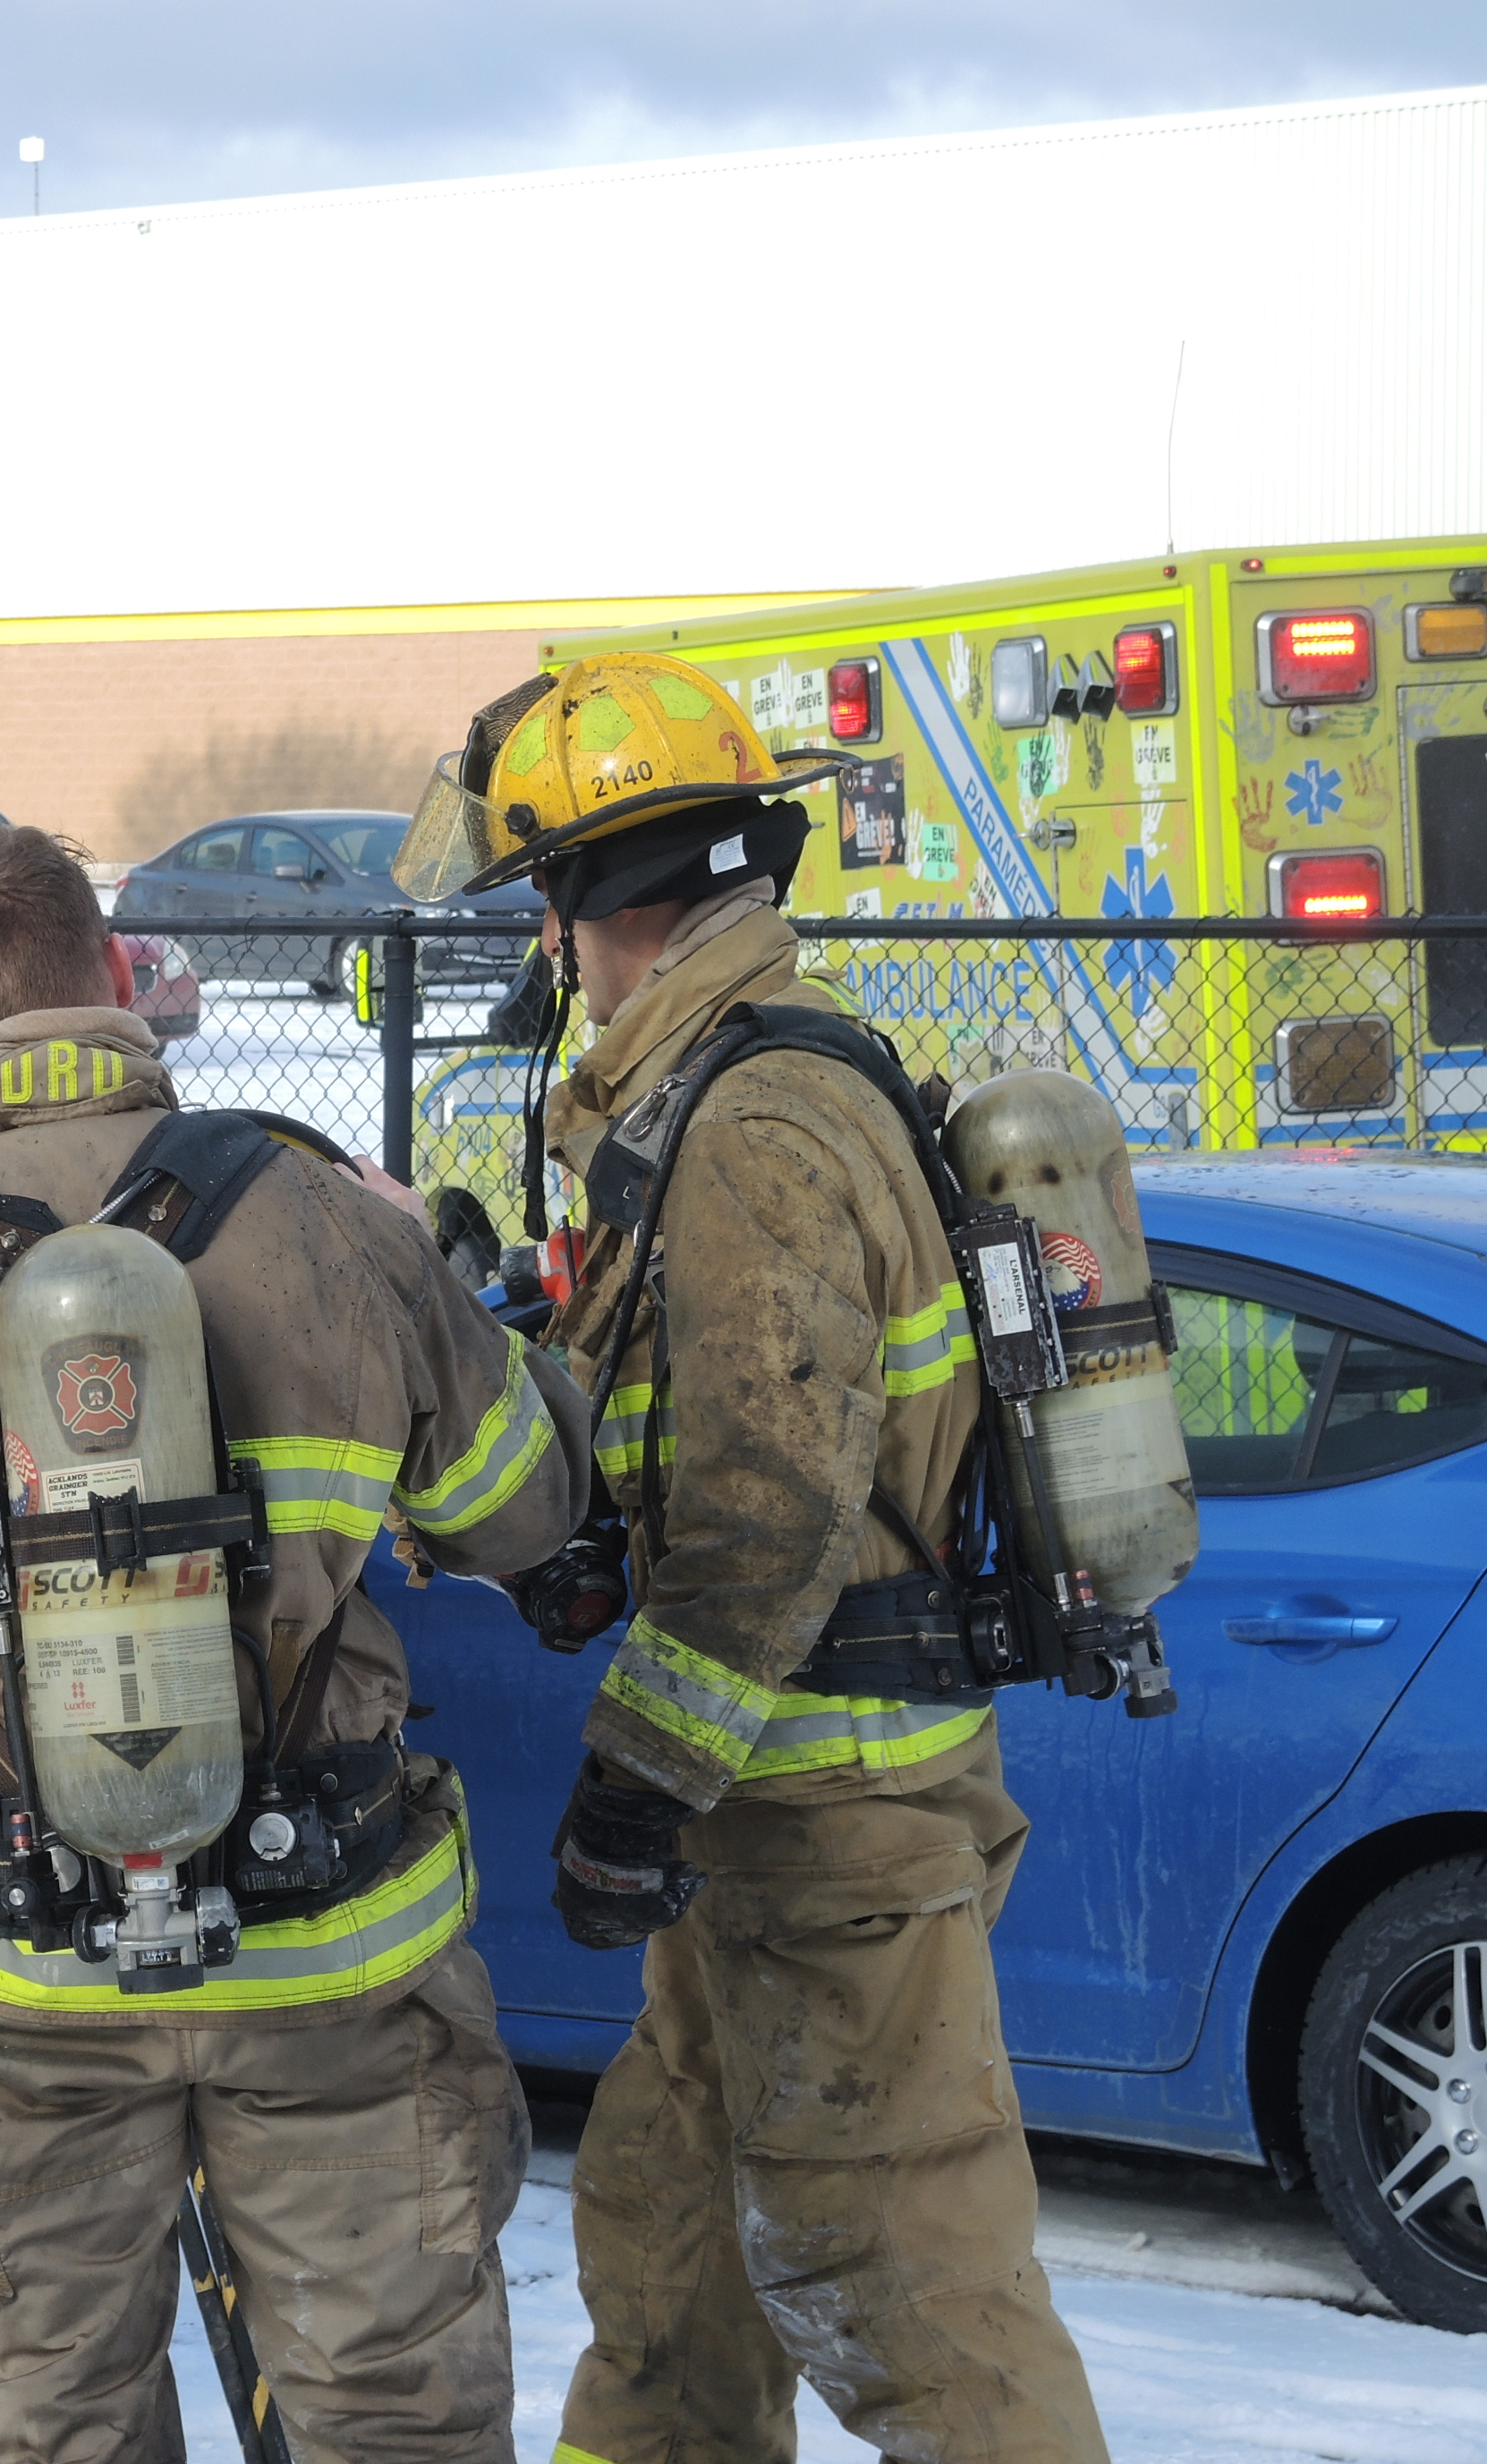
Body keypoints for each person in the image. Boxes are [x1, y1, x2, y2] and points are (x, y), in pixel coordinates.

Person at [0, 824, 578, 2464]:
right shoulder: (328, 1224)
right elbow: (521, 1512)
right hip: (335, 1961)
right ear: (113, 970)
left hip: (13, 1984)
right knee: (397, 2426)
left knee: (66, 2433)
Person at [395, 657, 1110, 2464]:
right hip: (769, 1840)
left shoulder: (754, 1127)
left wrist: (627, 1791)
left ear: (573, 912)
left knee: (915, 2300)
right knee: (669, 2277)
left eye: (538, 910)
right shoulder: (709, 1096)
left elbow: (764, 1511)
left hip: (832, 1836)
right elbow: (690, 1433)